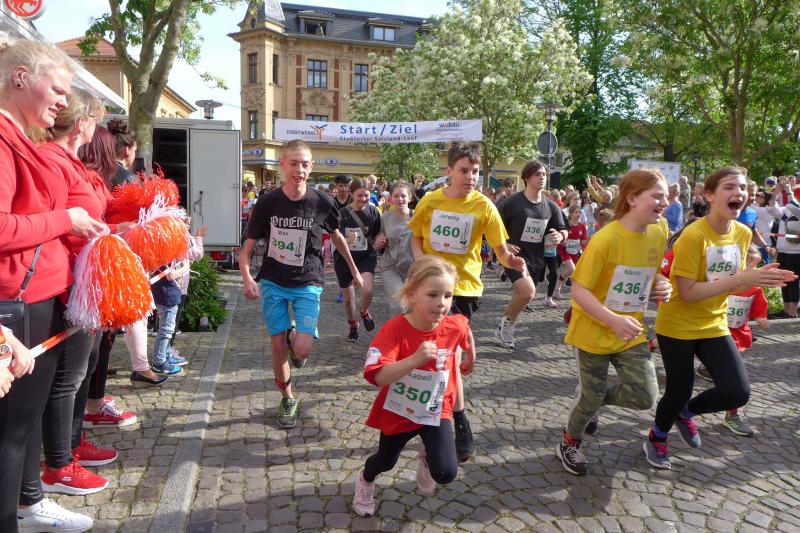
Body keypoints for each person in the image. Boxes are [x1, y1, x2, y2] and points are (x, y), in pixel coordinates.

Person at [0, 37, 105, 533]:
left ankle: (27, 504)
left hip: (34, 299)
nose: (64, 102)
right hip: (16, 303)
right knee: (11, 433)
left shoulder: (19, 138)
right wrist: (66, 219)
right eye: (58, 89)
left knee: (21, 427)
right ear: (20, 77)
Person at [645, 166, 797, 470]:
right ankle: (657, 436)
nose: (738, 193)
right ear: (710, 195)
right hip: (677, 325)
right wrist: (740, 279)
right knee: (678, 389)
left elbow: (730, 284)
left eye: (742, 188)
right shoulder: (694, 236)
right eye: (729, 187)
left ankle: (685, 413)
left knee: (737, 391)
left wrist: (756, 280)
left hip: (714, 322)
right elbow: (687, 292)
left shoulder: (742, 233)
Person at [408, 142, 526, 462]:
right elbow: (416, 236)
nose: (470, 177)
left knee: (448, 355)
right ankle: (436, 415)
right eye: (464, 171)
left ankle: (457, 422)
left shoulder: (484, 206)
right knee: (435, 355)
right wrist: (422, 263)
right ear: (449, 172)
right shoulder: (430, 201)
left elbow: (500, 249)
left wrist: (511, 261)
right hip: (430, 286)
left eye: (474, 172)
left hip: (463, 290)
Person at [555, 168, 672, 476]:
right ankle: (569, 443)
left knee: (645, 395)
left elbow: (652, 273)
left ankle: (591, 399)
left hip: (630, 331)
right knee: (589, 397)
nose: (666, 203)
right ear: (631, 199)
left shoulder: (659, 231)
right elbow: (579, 291)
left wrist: (662, 283)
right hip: (592, 333)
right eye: (657, 196)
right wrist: (612, 319)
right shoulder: (605, 239)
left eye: (666, 197)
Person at [240, 140, 363, 429]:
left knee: (303, 349)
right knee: (277, 346)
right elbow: (247, 248)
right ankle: (288, 398)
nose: (299, 170)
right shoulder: (267, 203)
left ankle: (293, 335)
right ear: (282, 164)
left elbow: (336, 236)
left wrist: (355, 271)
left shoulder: (322, 202)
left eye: (305, 164)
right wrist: (247, 277)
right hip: (273, 280)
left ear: (312, 167)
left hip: (308, 279)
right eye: (293, 163)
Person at [38, 89, 118, 497]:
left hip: (81, 281)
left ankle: (71, 445)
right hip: (66, 283)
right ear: (83, 122)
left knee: (79, 370)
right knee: (67, 376)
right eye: (94, 120)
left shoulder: (69, 162)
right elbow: (48, 219)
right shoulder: (53, 159)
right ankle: (58, 464)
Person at [352, 256, 471, 517]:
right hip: (400, 410)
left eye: (448, 295)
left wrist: (470, 356)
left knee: (446, 472)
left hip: (435, 409)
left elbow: (464, 330)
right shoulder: (394, 329)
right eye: (433, 294)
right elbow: (377, 376)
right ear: (411, 294)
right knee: (386, 461)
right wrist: (414, 360)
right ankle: (365, 480)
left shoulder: (454, 324)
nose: (442, 303)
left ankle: (428, 456)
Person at [77, 125, 139, 429]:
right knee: (84, 360)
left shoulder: (95, 179)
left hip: (96, 270)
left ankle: (90, 408)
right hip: (91, 274)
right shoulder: (89, 179)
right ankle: (89, 410)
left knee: (91, 354)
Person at [690, 245, 767, 437]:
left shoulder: (755, 288)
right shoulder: (722, 284)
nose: (750, 269)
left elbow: (758, 306)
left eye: (755, 264)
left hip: (737, 335)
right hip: (710, 332)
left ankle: (732, 414)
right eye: (747, 264)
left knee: (733, 382)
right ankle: (679, 407)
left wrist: (761, 319)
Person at [496, 160, 568, 348]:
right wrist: (505, 244)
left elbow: (563, 229)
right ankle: (508, 325)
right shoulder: (512, 203)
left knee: (519, 294)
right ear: (527, 178)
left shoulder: (551, 206)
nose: (542, 177)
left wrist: (560, 236)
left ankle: (504, 325)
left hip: (536, 258)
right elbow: (493, 226)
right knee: (528, 292)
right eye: (537, 174)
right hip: (513, 256)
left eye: (544, 174)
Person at [335, 178, 381, 341]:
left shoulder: (374, 211)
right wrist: (345, 240)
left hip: (365, 256)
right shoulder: (342, 214)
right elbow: (334, 238)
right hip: (344, 259)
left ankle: (363, 311)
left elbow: (377, 234)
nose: (363, 199)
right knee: (349, 300)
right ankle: (353, 325)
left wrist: (380, 240)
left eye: (366, 195)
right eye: (359, 195)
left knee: (367, 290)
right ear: (352, 194)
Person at [375, 181, 415, 315]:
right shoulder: (385, 217)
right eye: (396, 196)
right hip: (390, 266)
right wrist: (379, 241)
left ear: (410, 198)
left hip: (413, 269)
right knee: (398, 306)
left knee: (414, 308)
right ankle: (397, 329)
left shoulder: (418, 216)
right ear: (391, 198)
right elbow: (378, 238)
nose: (400, 199)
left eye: (403, 196)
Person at [766, 181, 800, 318]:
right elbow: (771, 209)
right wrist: (776, 192)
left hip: (796, 253)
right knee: (784, 281)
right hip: (783, 251)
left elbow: (794, 207)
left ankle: (792, 311)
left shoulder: (796, 208)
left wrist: (789, 191)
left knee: (793, 281)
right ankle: (786, 310)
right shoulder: (787, 209)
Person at [553, 205, 588, 300]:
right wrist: (562, 241)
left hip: (575, 252)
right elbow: (561, 237)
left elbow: (583, 242)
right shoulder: (567, 225)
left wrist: (587, 244)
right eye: (576, 212)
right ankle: (557, 289)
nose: (578, 214)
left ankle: (556, 290)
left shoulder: (582, 226)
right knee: (572, 269)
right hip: (564, 251)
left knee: (567, 272)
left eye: (579, 212)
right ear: (571, 214)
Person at [106, 118, 137, 187]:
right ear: (127, 150)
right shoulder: (128, 178)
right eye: (135, 150)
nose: (135, 154)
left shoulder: (98, 169)